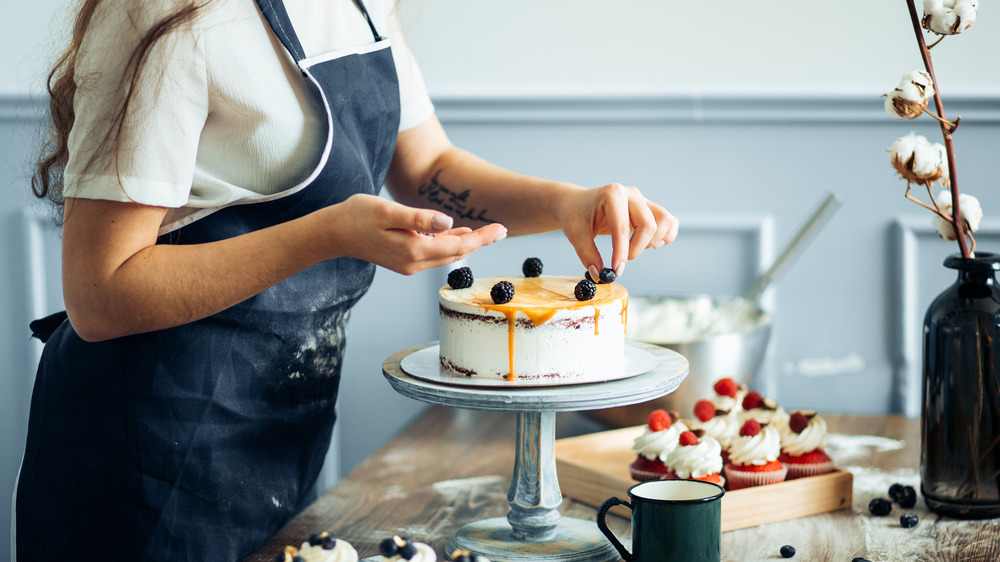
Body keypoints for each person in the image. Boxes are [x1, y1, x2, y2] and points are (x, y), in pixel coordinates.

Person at [14, 0, 679, 559]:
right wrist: (325, 232)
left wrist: (567, 203)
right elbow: (100, 293)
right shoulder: (159, 15)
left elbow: (425, 168)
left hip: (279, 424)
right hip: (143, 444)